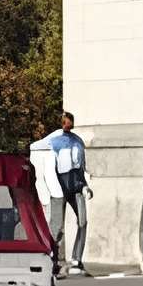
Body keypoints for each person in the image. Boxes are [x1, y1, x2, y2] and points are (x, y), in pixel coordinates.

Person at [33, 113, 89, 273]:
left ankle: (77, 259)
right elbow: (49, 168)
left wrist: (85, 185)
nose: (68, 126)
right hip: (59, 186)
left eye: (70, 123)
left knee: (83, 221)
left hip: (76, 185)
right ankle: (52, 259)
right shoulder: (53, 142)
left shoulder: (78, 141)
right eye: (65, 123)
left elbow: (81, 166)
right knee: (56, 226)